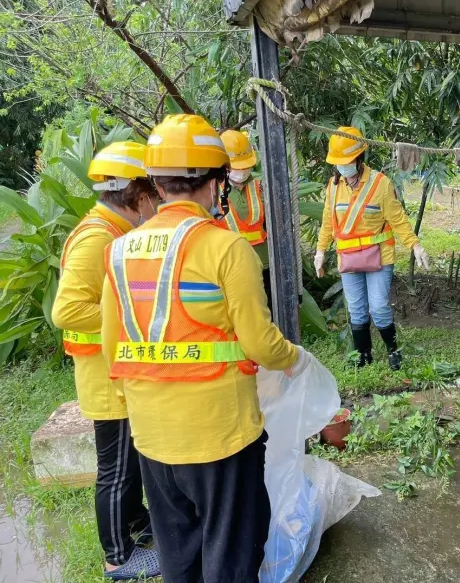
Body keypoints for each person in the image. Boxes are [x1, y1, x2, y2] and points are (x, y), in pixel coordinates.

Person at [100, 114, 307, 583]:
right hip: (221, 434)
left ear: (155, 181)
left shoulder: (119, 251)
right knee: (231, 553)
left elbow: (113, 345)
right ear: (216, 184)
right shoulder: (226, 248)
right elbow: (259, 342)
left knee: (179, 554)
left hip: (152, 435)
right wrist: (295, 359)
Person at [51, 141, 161, 580]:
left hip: (116, 370)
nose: (155, 198)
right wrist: (127, 317)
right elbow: (67, 311)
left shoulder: (113, 230)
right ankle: (118, 557)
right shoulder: (97, 237)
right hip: (104, 376)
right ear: (134, 193)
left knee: (130, 460)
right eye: (150, 189)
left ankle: (135, 523)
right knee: (115, 470)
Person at [314, 126, 430, 371]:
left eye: (346, 162)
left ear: (359, 158)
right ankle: (363, 357)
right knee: (356, 309)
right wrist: (320, 250)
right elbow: (327, 220)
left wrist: (415, 246)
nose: (342, 167)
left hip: (379, 256)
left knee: (378, 306)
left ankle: (393, 350)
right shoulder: (333, 186)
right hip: (348, 258)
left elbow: (398, 219)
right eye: (339, 163)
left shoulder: (380, 184)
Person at [218, 129, 271, 310]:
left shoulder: (260, 187)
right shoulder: (213, 191)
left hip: (263, 262)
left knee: (266, 310)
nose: (242, 171)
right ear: (225, 166)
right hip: (233, 263)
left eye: (245, 166)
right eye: (237, 167)